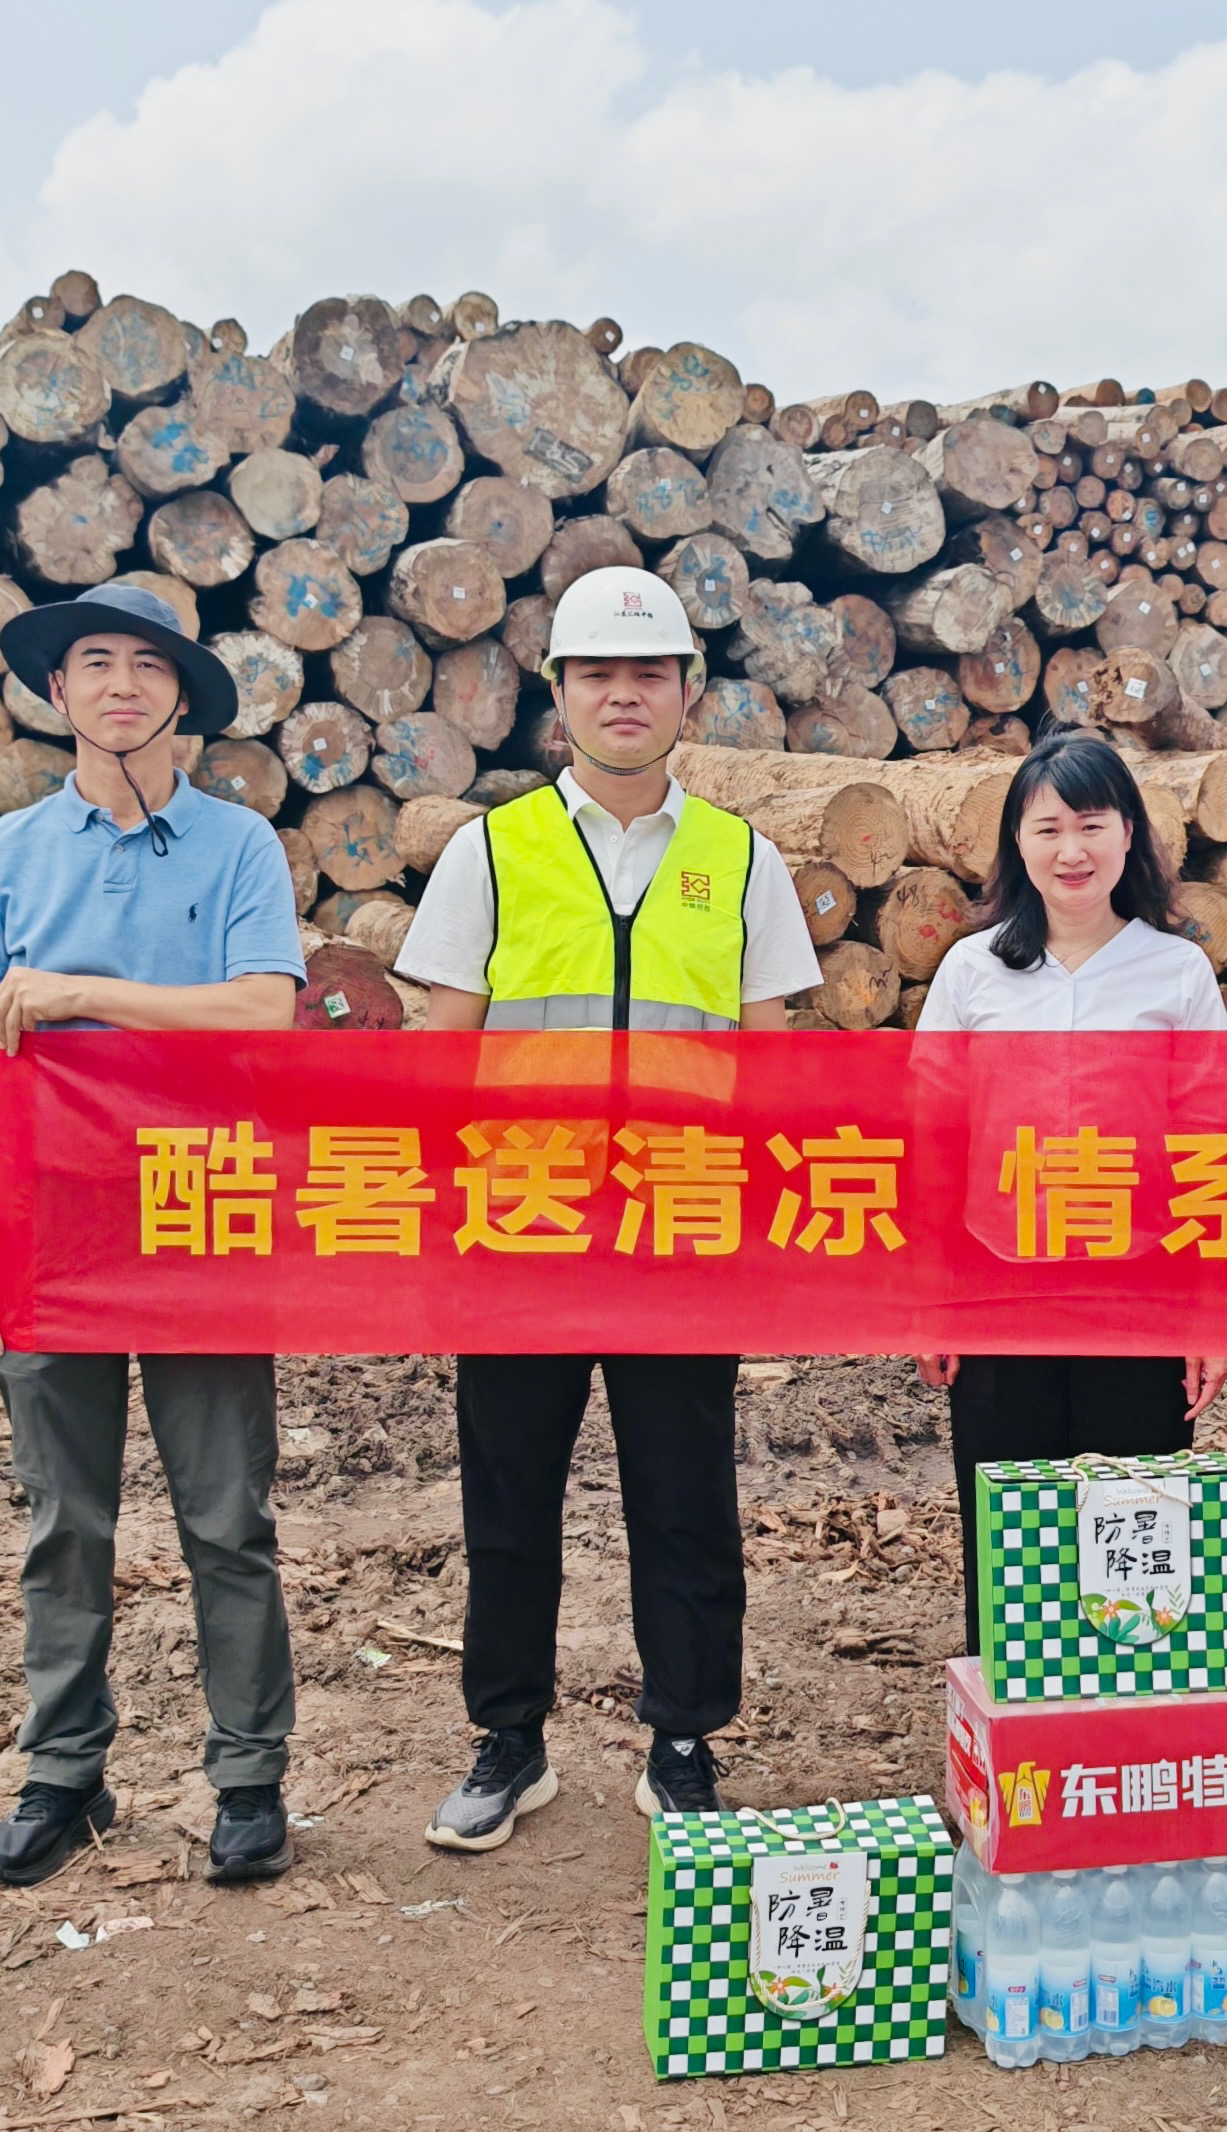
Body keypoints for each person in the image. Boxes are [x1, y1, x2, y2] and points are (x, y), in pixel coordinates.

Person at [397, 566, 824, 1850]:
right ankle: (508, 1738)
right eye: (597, 673)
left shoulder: (740, 859)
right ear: (559, 692)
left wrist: (768, 1227)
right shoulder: (491, 850)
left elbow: (770, 1063)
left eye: (648, 673)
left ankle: (683, 1735)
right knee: (509, 1496)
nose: (623, 695)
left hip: (680, 1230)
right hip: (522, 1224)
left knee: (684, 1497)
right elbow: (441, 1054)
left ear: (689, 692)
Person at [0, 583, 310, 1887]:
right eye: (95, 662)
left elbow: (263, 1010)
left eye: (147, 665)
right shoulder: (4, 857)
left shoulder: (240, 847)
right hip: (50, 1226)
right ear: (59, 690)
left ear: (182, 696)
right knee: (64, 1517)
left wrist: (83, 994)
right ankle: (63, 1770)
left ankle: (249, 1775)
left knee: (226, 1515)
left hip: (205, 1211)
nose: (121, 686)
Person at [911, 733, 1227, 1652]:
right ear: (1016, 843)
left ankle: (1127, 1707)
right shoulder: (972, 971)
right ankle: (1010, 1706)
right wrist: (931, 1300)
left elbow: (1214, 1146)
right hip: (998, 1280)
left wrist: (1214, 1313)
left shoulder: (1176, 971)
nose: (1071, 850)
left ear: (1129, 834)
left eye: (1092, 825)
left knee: (1132, 1521)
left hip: (1138, 1284)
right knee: (1011, 1526)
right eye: (1047, 828)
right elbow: (931, 1142)